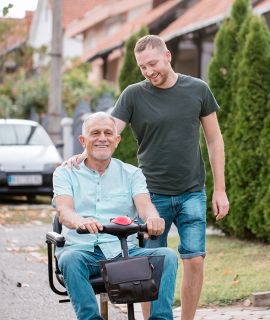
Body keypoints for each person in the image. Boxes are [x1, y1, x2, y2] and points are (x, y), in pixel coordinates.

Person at [64, 35, 229, 320]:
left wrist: (220, 190)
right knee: (150, 267)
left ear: (167, 55)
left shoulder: (198, 89)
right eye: (142, 67)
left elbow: (214, 140)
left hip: (192, 191)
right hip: (150, 196)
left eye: (152, 63)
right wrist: (84, 152)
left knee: (195, 260)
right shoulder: (133, 94)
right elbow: (107, 132)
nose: (148, 71)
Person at [53, 112, 178, 320]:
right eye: (95, 133)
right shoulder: (65, 173)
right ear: (83, 140)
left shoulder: (132, 174)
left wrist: (152, 218)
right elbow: (64, 211)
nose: (102, 138)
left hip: (124, 253)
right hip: (84, 253)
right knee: (69, 259)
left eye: (108, 133)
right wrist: (80, 221)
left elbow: (145, 206)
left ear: (116, 140)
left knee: (168, 256)